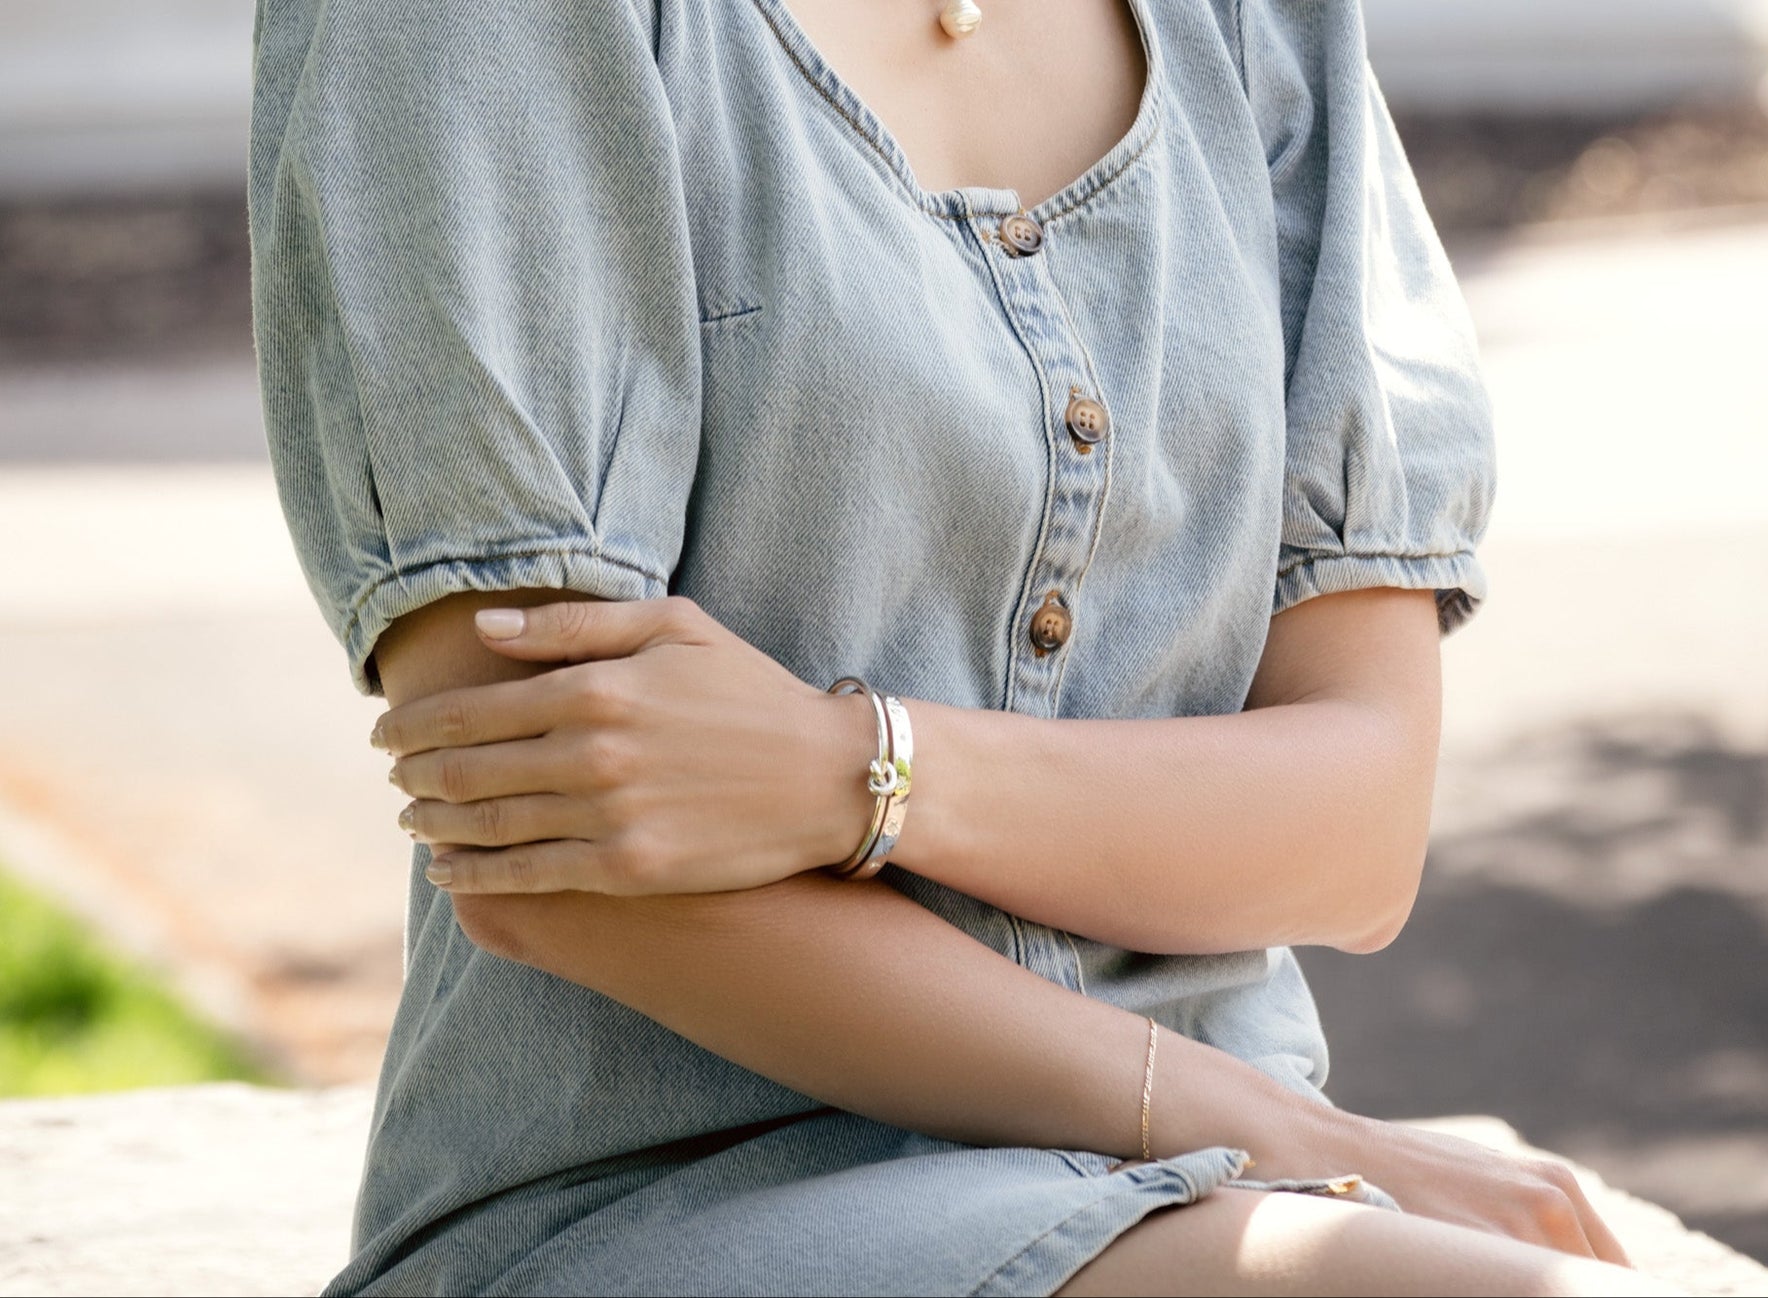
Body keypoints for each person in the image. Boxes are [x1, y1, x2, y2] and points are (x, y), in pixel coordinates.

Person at [249, 0, 1675, 1293]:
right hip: (679, 1198)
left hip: (1229, 1181)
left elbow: (1353, 832)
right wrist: (1261, 1122)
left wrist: (855, 770)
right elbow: (547, 845)